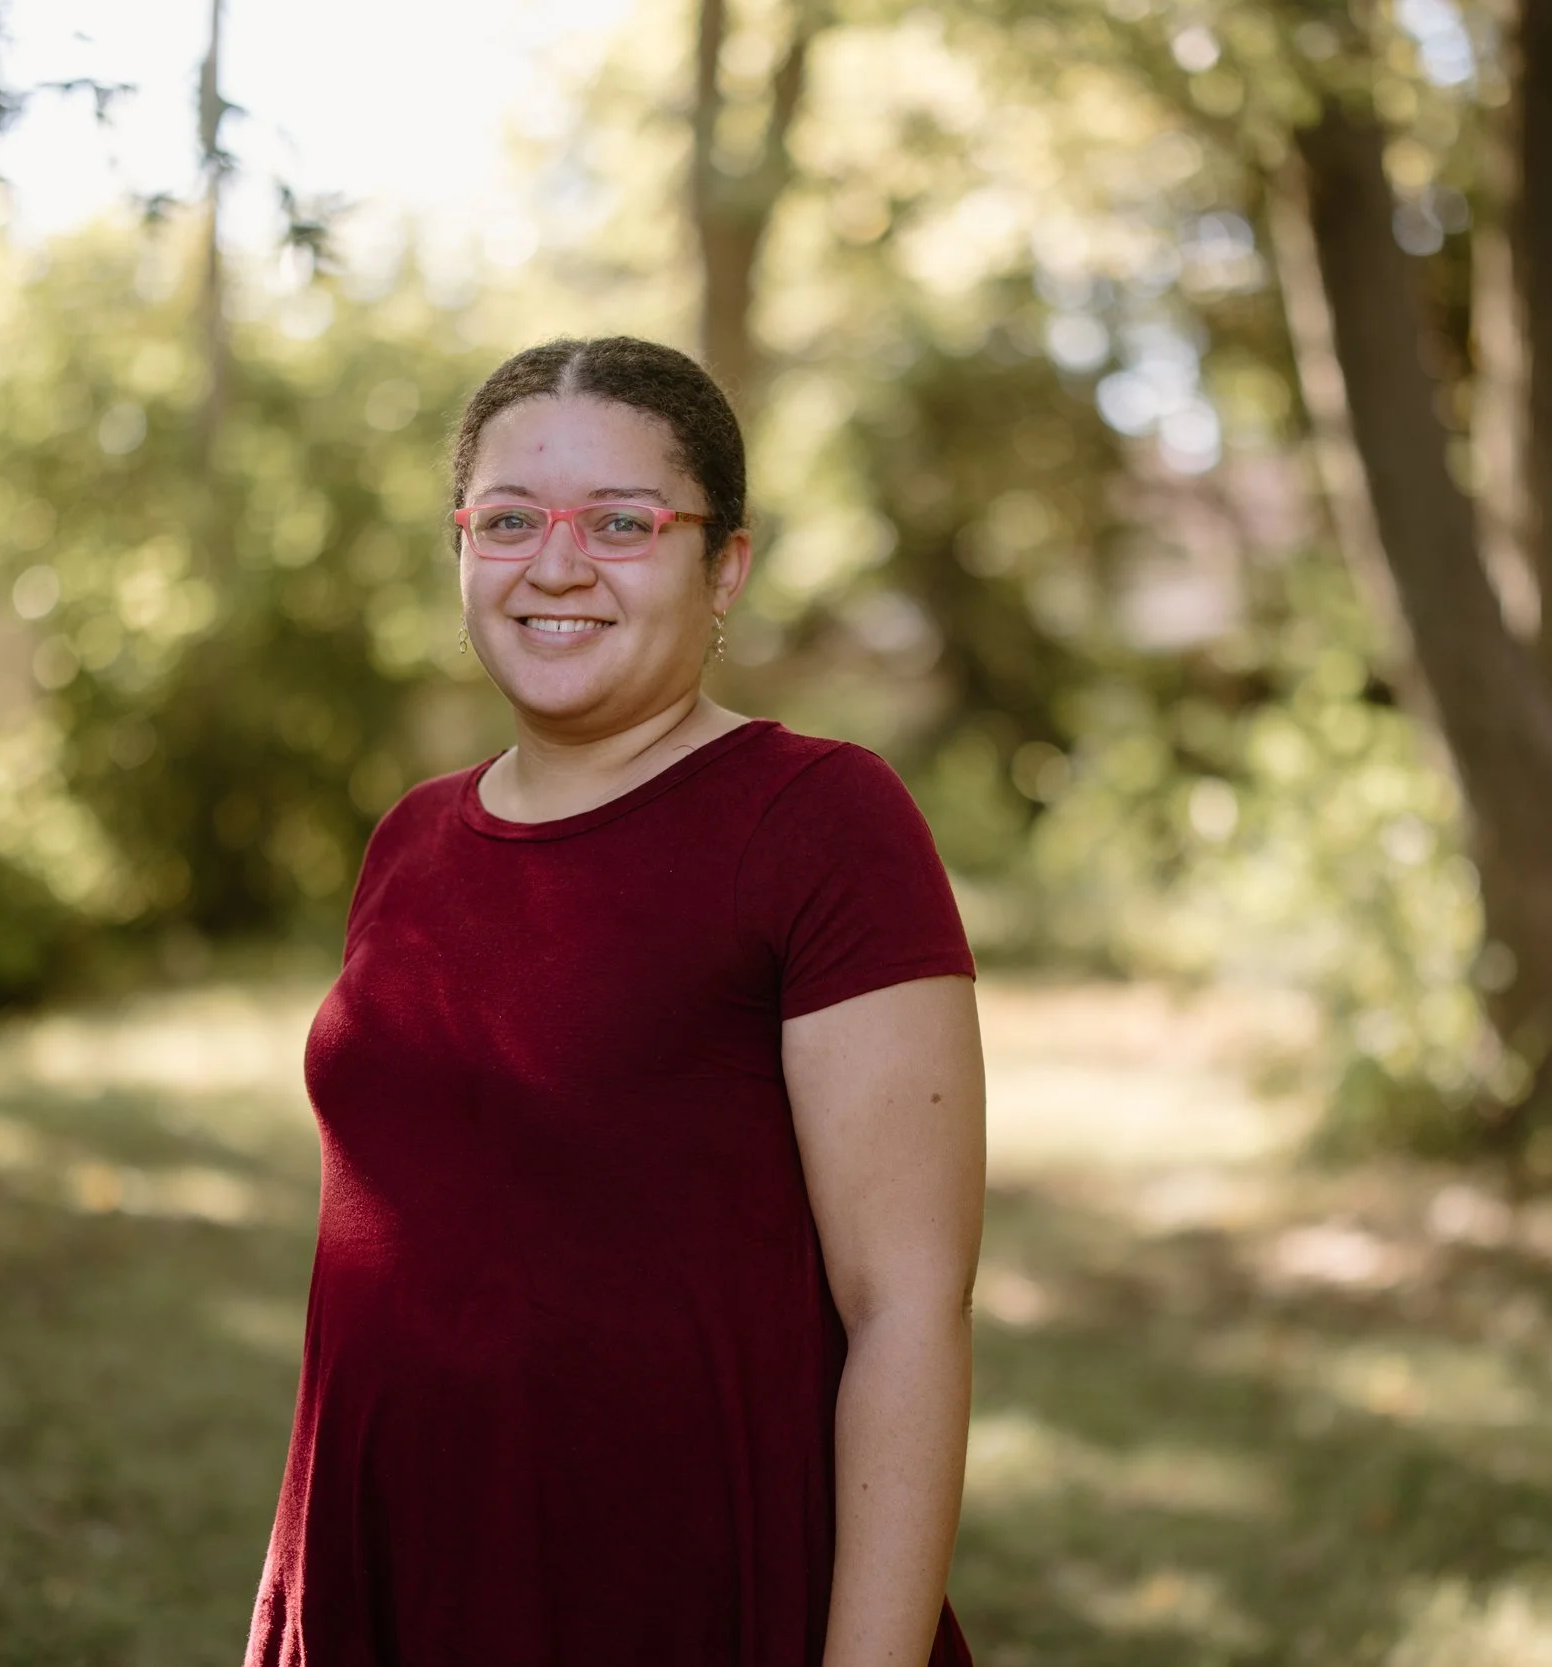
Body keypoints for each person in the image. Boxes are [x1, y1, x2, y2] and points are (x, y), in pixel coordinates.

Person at [244, 336, 985, 1667]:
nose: (559, 562)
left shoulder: (818, 821)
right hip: (395, 1575)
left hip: (665, 1588)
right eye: (511, 519)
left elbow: (908, 1312)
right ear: (461, 549)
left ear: (726, 569)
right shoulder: (410, 838)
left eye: (625, 522)